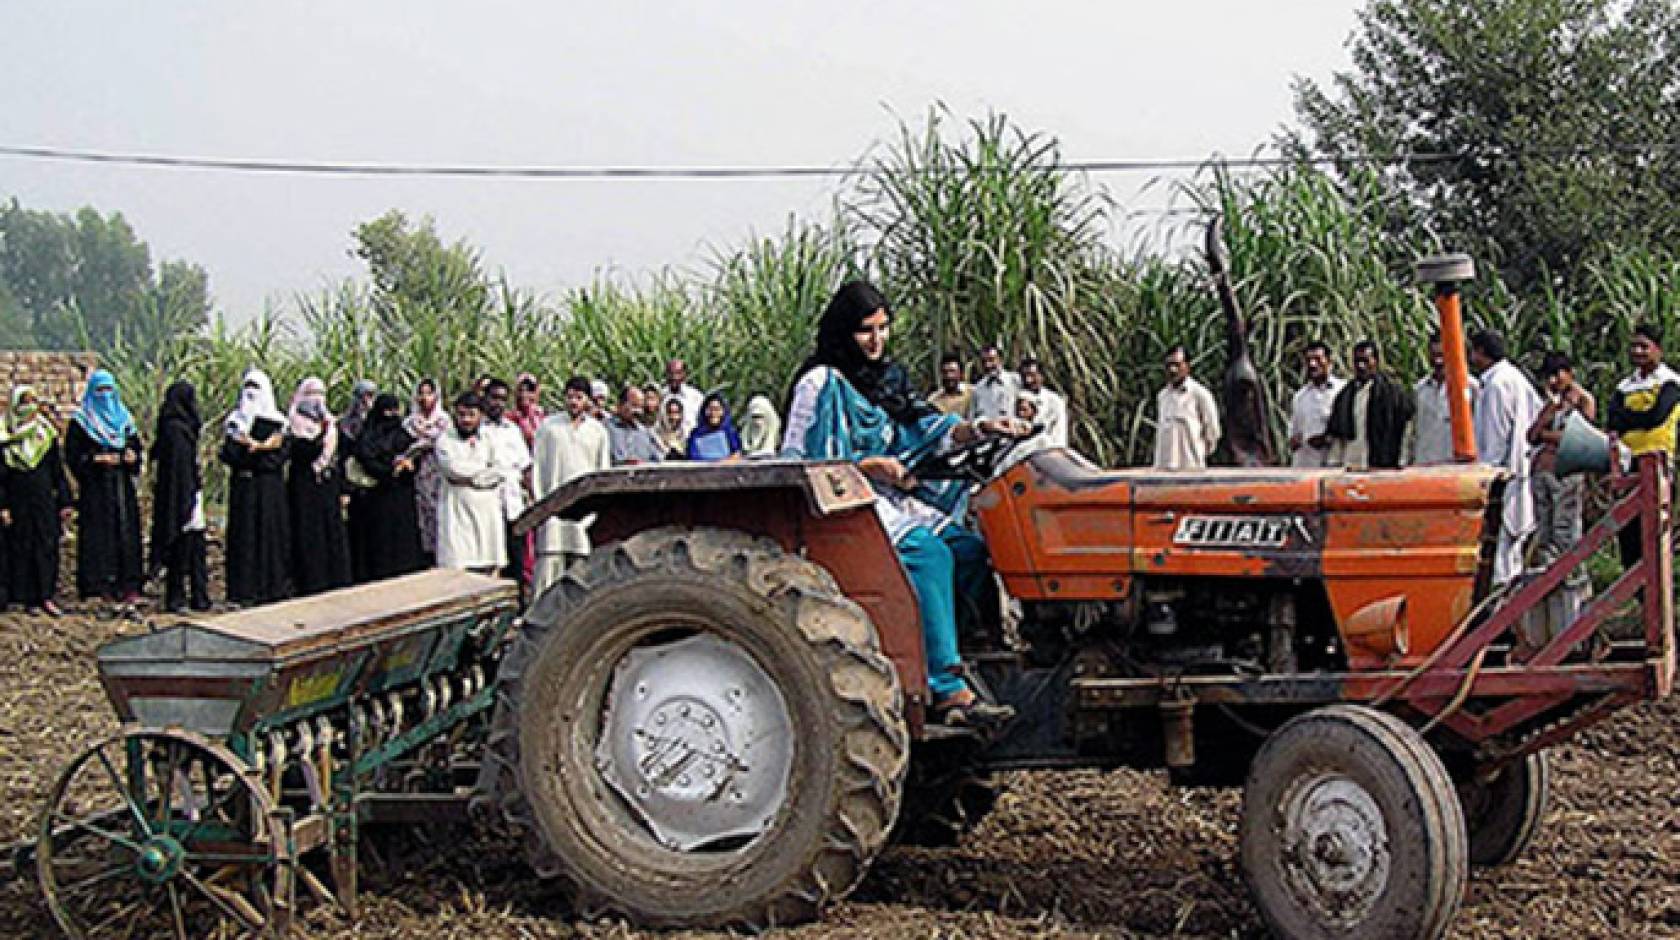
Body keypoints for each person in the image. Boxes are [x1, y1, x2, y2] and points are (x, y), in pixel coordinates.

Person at [782, 280, 1021, 727]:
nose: (877, 340)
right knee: (928, 555)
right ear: (843, 332)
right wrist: (870, 465)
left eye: (884, 328)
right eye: (865, 331)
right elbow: (799, 458)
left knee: (970, 549)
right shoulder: (820, 384)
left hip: (894, 496)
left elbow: (927, 428)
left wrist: (985, 428)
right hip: (845, 501)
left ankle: (981, 657)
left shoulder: (886, 382)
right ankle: (944, 686)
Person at [1521, 352, 1596, 655]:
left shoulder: (1582, 401)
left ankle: (1571, 606)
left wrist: (1548, 434)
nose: (1553, 382)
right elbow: (1532, 435)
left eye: (1557, 375)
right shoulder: (1550, 404)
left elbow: (1577, 438)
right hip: (1543, 473)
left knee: (1566, 536)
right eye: (1548, 377)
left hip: (1567, 475)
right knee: (1545, 539)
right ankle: (1547, 612)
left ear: (1569, 373)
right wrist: (1549, 414)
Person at [63, 369, 144, 602]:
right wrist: (95, 460)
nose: (105, 395)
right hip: (96, 490)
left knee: (126, 534)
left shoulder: (125, 422)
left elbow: (137, 450)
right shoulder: (82, 423)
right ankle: (98, 586)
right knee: (98, 537)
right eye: (100, 390)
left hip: (121, 488)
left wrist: (132, 457)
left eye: (109, 390)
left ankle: (128, 585)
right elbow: (72, 456)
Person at [1471, 330, 1544, 586]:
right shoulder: (1515, 378)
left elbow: (1495, 435)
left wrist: (1486, 475)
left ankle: (1502, 609)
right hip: (1520, 470)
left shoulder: (1497, 384)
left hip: (1504, 476)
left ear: (1481, 352)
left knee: (1503, 549)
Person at [1606, 323, 1680, 564]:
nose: (1638, 352)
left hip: (1657, 461)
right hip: (1627, 462)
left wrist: (1628, 420)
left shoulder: (1670, 382)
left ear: (1658, 350)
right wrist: (1635, 420)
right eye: (1634, 346)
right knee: (1628, 532)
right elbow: (1613, 420)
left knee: (1653, 528)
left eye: (1644, 347)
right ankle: (1635, 593)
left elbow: (1656, 417)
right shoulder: (1625, 385)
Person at [531, 377, 612, 595]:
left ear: (587, 400)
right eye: (570, 397)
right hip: (553, 505)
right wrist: (542, 503)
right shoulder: (549, 428)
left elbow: (602, 470)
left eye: (579, 397)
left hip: (585, 507)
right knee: (550, 559)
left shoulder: (598, 431)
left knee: (581, 559)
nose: (574, 402)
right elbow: (538, 467)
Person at [220, 369, 291, 605]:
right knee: (244, 536)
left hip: (269, 489)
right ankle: (243, 590)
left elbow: (278, 459)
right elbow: (229, 456)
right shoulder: (234, 423)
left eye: (256, 389)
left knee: (270, 536)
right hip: (244, 488)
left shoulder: (279, 424)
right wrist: (250, 449)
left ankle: (271, 588)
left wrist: (258, 448)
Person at [1, 385, 72, 614]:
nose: (29, 407)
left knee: (46, 545)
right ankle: (22, 596)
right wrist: (2, 505)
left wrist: (65, 501)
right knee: (20, 545)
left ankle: (45, 596)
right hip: (16, 502)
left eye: (33, 402)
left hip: (43, 501)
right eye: (24, 402)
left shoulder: (45, 434)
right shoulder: (4, 437)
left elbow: (57, 471)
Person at [284, 377, 352, 596]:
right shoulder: (293, 423)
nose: (317, 400)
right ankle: (308, 580)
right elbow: (301, 452)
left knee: (329, 531)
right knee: (307, 532)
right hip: (304, 485)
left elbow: (337, 456)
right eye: (311, 394)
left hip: (327, 485)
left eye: (320, 394)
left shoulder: (331, 424)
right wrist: (320, 435)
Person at [148, 381, 209, 612]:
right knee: (181, 546)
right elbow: (178, 469)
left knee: (195, 545)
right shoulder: (175, 431)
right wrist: (186, 496)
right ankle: (176, 597)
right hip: (181, 494)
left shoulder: (179, 428)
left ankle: (198, 596)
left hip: (187, 492)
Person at [354, 393, 428, 579]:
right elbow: (366, 457)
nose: (391, 416)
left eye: (395, 411)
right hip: (378, 497)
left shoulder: (403, 434)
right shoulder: (368, 435)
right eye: (387, 411)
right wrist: (389, 470)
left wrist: (408, 466)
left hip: (402, 495)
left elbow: (414, 456)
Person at [434, 392, 507, 572]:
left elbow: (499, 470)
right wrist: (482, 471)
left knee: (490, 568)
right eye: (461, 415)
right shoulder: (444, 440)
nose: (466, 420)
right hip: (457, 513)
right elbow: (453, 469)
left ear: (481, 415)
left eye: (471, 415)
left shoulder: (491, 438)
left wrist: (474, 478)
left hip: (487, 514)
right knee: (457, 568)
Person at [1326, 340, 1414, 470]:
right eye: (1357, 361)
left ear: (1376, 361)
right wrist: (1334, 463)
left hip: (1383, 466)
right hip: (1352, 464)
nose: (1361, 366)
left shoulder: (1393, 394)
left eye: (1365, 361)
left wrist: (1403, 461)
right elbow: (1338, 436)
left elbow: (1406, 428)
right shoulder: (1345, 396)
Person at [481, 378, 534, 588]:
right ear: (485, 398)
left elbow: (525, 466)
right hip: (486, 503)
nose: (498, 404)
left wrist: (533, 495)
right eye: (494, 398)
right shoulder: (477, 430)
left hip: (512, 504)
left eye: (503, 399)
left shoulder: (512, 430)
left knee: (517, 559)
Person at [1411, 331, 1480, 465]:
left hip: (1455, 467)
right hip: (1424, 465)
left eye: (1442, 355)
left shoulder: (1471, 388)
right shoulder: (1420, 389)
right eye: (1434, 355)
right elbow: (1413, 431)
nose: (1438, 361)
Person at [404, 378, 452, 565]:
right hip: (417, 475)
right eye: (421, 393)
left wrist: (423, 445)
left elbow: (441, 442)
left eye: (429, 393)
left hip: (438, 473)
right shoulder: (409, 423)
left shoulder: (444, 421)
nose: (425, 398)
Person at [1153, 346, 1221, 470]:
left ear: (1187, 366)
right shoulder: (1162, 396)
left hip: (1191, 468)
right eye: (1169, 365)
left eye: (1177, 365)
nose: (1173, 370)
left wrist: (1198, 452)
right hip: (1164, 469)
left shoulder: (1200, 394)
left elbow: (1213, 432)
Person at [339, 378, 379, 581]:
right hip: (353, 485)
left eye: (371, 396)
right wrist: (344, 489)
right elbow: (342, 457)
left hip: (375, 485)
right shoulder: (345, 425)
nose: (367, 401)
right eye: (363, 396)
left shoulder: (377, 423)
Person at [1288, 341, 1344, 468]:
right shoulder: (1300, 397)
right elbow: (1293, 433)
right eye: (1309, 360)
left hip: (1334, 465)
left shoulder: (1342, 391)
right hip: (1306, 466)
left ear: (1329, 362)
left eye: (1318, 359)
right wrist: (1295, 440)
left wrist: (1326, 439)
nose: (1312, 364)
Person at [607, 385, 664, 465]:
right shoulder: (606, 429)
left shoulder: (646, 433)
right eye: (634, 405)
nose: (638, 411)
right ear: (620, 405)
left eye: (640, 407)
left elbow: (658, 460)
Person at [1019, 358, 1069, 448]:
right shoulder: (1016, 399)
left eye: (1032, 375)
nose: (1028, 380)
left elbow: (1059, 437)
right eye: (1024, 376)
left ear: (1041, 376)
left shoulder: (1055, 402)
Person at [970, 344, 1021, 422]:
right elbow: (972, 419)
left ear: (1000, 360)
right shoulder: (978, 389)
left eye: (991, 360)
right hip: (987, 433)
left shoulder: (1015, 380)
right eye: (984, 361)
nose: (988, 365)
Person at [687, 393, 743, 462]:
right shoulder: (696, 433)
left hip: (726, 471)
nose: (713, 413)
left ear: (723, 411)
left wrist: (721, 463)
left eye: (717, 409)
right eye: (710, 409)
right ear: (704, 410)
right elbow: (692, 456)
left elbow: (737, 455)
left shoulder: (730, 432)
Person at [662, 358, 706, 436]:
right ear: (666, 374)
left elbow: (704, 424)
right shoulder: (660, 397)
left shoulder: (696, 397)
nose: (674, 377)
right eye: (670, 373)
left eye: (678, 373)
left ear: (684, 374)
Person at [928, 352, 974, 418]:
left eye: (952, 371)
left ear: (961, 373)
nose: (949, 376)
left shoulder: (973, 393)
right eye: (945, 372)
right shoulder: (933, 400)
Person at [511, 373, 546, 448]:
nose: (524, 394)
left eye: (530, 390)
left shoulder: (544, 417)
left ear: (537, 392)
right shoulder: (510, 419)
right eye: (521, 390)